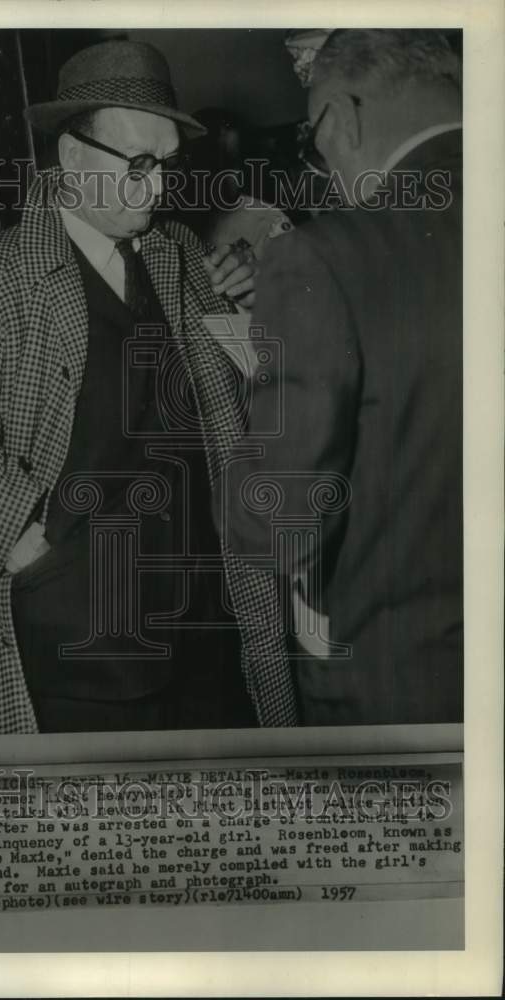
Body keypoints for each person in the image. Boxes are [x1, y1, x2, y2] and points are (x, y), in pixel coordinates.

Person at [0, 40, 298, 734]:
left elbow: (230, 412)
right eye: (139, 166)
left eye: (167, 167)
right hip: (77, 646)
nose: (156, 190)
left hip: (206, 626)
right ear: (71, 157)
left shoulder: (175, 252)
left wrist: (244, 321)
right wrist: (32, 552)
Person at [219, 29, 462, 725]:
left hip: (403, 681)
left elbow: (276, 523)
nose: (324, 173)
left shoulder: (328, 257)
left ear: (339, 120)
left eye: (315, 149)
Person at [182, 107, 293, 257]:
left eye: (233, 164)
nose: (232, 175)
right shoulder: (173, 224)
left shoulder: (267, 221)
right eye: (211, 164)